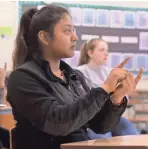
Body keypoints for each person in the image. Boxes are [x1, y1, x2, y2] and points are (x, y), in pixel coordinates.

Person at [7, 5, 142, 149]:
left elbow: (99, 126)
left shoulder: (74, 76)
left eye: (74, 30)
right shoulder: (22, 77)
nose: (75, 37)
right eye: (67, 31)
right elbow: (57, 123)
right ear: (45, 37)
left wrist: (116, 97)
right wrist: (105, 88)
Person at [76, 38, 139, 139]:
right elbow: (83, 100)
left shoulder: (111, 72)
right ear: (90, 53)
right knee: (103, 139)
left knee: (134, 136)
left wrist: (123, 90)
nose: (106, 53)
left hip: (112, 116)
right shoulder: (79, 72)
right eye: (101, 50)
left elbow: (123, 98)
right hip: (92, 119)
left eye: (107, 50)